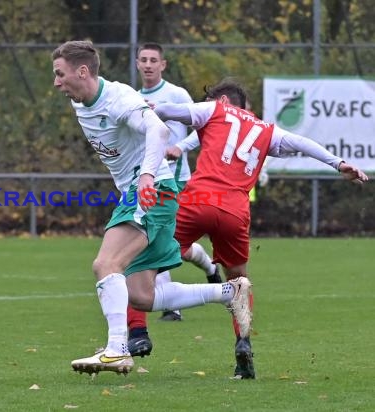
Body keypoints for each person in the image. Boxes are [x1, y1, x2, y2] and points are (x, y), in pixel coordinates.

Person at [52, 41, 253, 376]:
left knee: (106, 263)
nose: (56, 82)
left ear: (82, 71)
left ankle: (117, 349)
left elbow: (158, 129)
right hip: (146, 192)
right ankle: (228, 292)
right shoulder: (82, 102)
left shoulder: (117, 98)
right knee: (142, 296)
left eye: (60, 74)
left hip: (150, 191)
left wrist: (146, 175)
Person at [154, 79, 369, 379]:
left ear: (225, 100)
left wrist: (144, 109)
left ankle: (131, 336)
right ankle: (243, 343)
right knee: (240, 280)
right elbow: (300, 142)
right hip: (235, 209)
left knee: (147, 257)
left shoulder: (216, 110)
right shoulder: (266, 130)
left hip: (199, 199)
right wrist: (338, 163)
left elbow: (169, 110)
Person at [126, 42, 222, 358]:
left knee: (157, 244)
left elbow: (206, 127)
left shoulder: (177, 95)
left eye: (154, 60)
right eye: (144, 60)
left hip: (175, 182)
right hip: (145, 182)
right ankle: (211, 273)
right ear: (137, 64)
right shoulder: (132, 98)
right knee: (164, 244)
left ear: (163, 64)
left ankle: (141, 327)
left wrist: (182, 148)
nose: (149, 64)